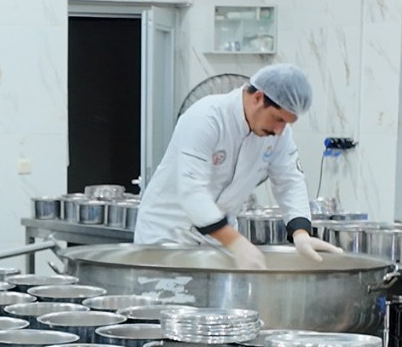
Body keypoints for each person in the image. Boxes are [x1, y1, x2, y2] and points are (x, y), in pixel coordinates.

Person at [134, 64, 345, 268]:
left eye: (287, 123)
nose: (280, 130)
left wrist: (301, 233)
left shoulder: (278, 134)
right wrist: (236, 242)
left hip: (217, 242)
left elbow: (290, 181)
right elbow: (192, 191)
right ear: (258, 98)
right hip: (167, 236)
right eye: (277, 119)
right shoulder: (206, 117)